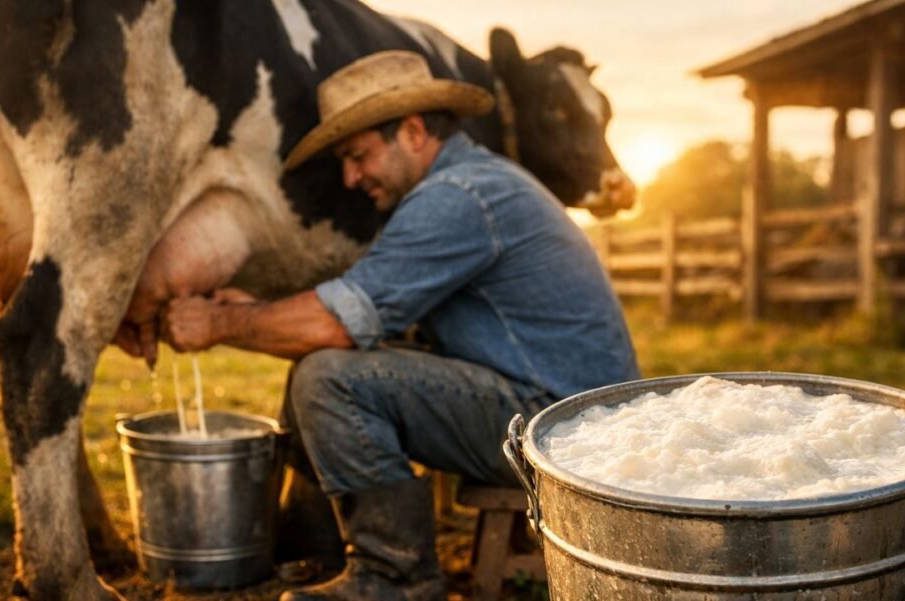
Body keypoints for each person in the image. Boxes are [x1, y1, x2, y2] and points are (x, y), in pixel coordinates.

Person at [160, 50, 639, 601]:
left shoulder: (456, 197)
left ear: (412, 132)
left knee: (329, 376)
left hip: (560, 433)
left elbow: (336, 324)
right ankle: (310, 544)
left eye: (358, 155)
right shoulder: (476, 181)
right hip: (572, 414)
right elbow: (363, 321)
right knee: (320, 368)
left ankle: (397, 576)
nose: (351, 176)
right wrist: (252, 313)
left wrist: (220, 322)